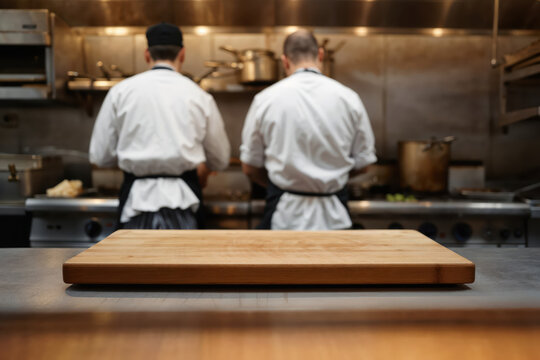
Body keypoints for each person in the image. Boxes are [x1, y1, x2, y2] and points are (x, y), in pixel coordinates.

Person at [89, 23, 230, 229]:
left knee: (133, 261)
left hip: (135, 203)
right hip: (184, 202)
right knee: (182, 261)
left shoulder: (120, 92)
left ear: (147, 54)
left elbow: (100, 156)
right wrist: (203, 166)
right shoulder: (199, 96)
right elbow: (220, 159)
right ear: (182, 54)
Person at [240, 29, 376, 230]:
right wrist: (332, 176)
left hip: (284, 216)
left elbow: (250, 167)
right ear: (320, 55)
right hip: (335, 217)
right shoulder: (348, 98)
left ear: (285, 61)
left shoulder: (265, 99)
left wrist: (282, 184)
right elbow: (365, 163)